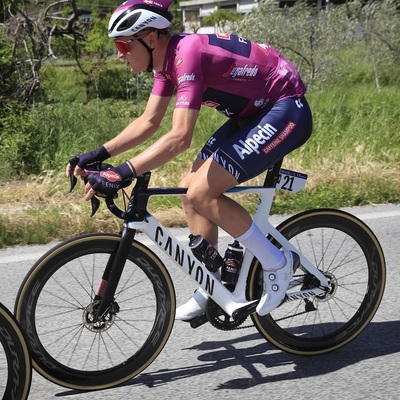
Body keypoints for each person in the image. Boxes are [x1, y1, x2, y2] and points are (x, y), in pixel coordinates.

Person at [66, 0, 312, 321]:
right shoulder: (165, 62)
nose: (119, 53)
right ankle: (215, 288)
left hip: (285, 108)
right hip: (254, 114)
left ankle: (277, 263)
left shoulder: (187, 53)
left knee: (201, 192)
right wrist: (99, 155)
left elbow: (180, 136)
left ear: (150, 38)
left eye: (123, 44)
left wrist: (122, 173)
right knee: (188, 193)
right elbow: (148, 122)